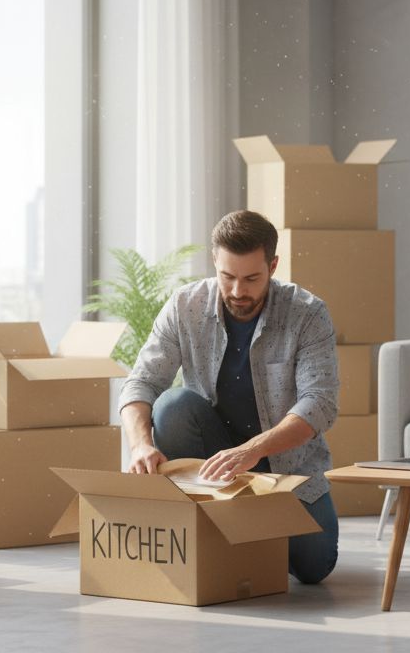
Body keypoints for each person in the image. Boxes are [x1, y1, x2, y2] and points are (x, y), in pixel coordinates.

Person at [118, 210, 340, 585]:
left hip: (287, 471)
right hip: (214, 466)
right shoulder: (185, 305)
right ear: (214, 262)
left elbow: (319, 403)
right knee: (172, 406)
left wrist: (252, 450)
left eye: (252, 278)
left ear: (273, 265)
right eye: (228, 276)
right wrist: (139, 444)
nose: (238, 291)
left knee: (314, 566)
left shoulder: (307, 313)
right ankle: (216, 535)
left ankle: (253, 533)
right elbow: (141, 382)